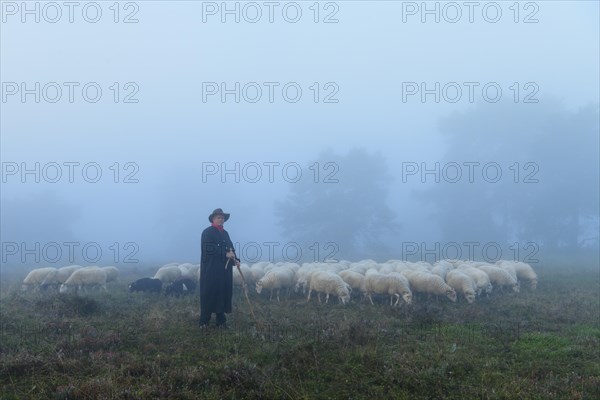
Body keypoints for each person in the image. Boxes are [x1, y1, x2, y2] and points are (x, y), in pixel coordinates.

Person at [199, 208, 240, 328]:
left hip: (224, 270)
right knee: (209, 293)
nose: (221, 220)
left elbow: (231, 248)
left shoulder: (225, 233)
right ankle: (204, 322)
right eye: (218, 217)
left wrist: (236, 260)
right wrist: (225, 254)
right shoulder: (207, 232)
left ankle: (221, 321)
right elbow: (209, 248)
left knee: (223, 292)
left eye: (222, 218)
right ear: (213, 219)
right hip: (211, 270)